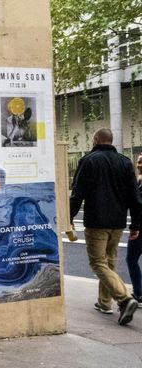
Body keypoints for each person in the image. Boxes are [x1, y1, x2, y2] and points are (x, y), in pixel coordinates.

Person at [69, 128, 141, 325]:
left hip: (96, 221)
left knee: (98, 262)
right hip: (118, 223)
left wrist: (69, 217)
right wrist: (135, 224)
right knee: (109, 262)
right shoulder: (125, 162)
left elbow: (77, 194)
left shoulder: (89, 161)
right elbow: (135, 197)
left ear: (96, 140)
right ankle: (104, 303)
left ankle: (124, 299)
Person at [127, 154, 142, 306]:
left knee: (131, 259)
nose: (138, 165)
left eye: (140, 162)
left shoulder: (140, 181)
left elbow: (138, 207)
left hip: (140, 228)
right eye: (138, 162)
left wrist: (134, 228)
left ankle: (139, 293)